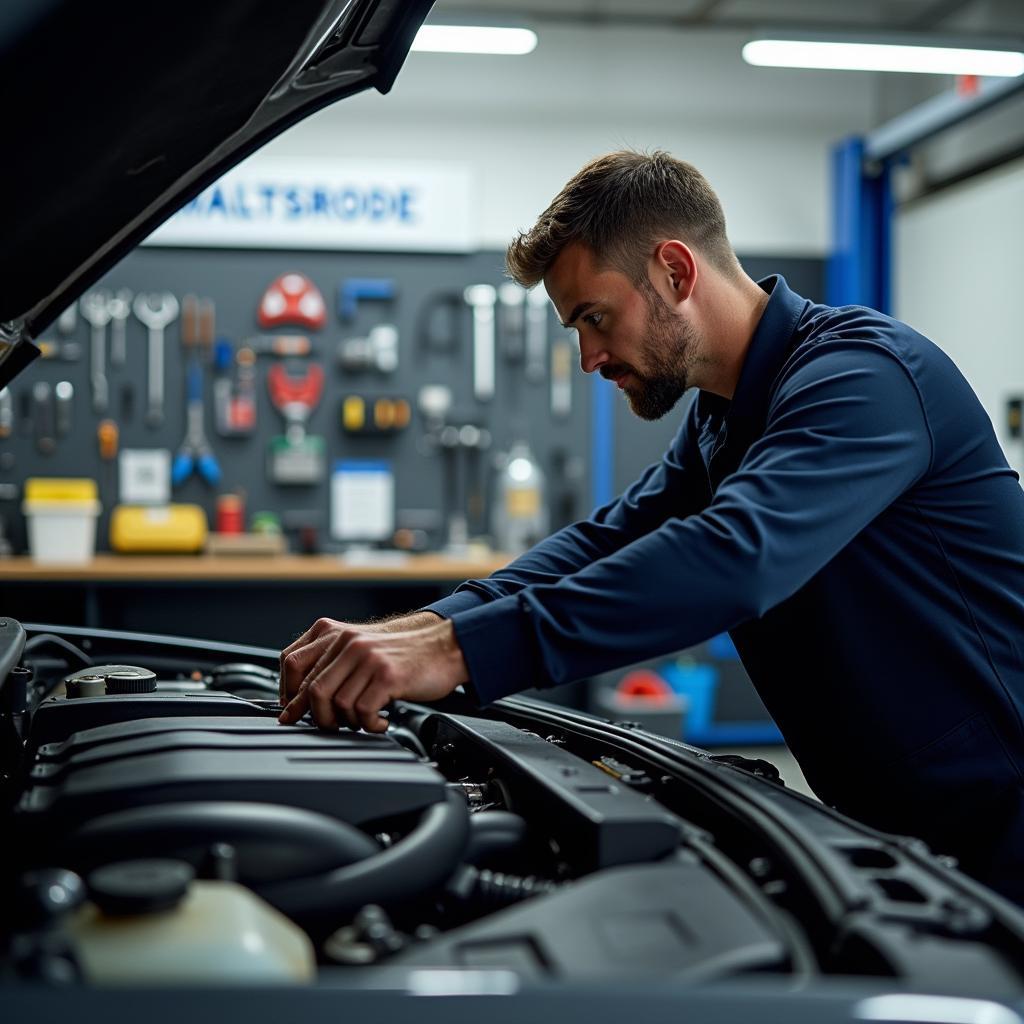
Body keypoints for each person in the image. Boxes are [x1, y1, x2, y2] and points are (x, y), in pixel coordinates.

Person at [279, 150, 1024, 901]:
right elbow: (609, 540)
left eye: (594, 318)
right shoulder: (723, 419)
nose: (587, 357)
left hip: (1004, 818)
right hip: (902, 833)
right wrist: (425, 629)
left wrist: (461, 651)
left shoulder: (865, 376)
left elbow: (737, 557)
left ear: (675, 270)